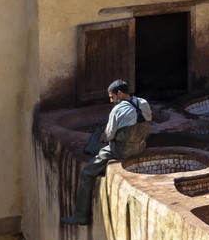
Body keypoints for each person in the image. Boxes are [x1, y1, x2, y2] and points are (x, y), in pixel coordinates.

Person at [62, 80, 153, 226]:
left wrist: (112, 139)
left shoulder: (117, 110)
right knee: (102, 149)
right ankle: (92, 147)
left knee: (87, 172)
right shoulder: (144, 103)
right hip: (140, 147)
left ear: (120, 93)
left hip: (120, 151)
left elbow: (109, 134)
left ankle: (80, 216)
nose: (111, 100)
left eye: (112, 97)